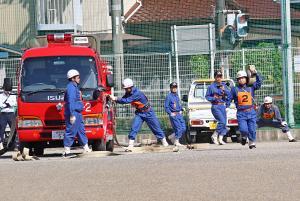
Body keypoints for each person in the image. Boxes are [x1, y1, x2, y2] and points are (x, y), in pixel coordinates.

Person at [109, 78, 169, 149]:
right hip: (140, 113)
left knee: (156, 128)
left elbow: (127, 100)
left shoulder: (137, 93)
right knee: (134, 127)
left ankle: (165, 143)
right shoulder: (128, 93)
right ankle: (130, 145)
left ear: (130, 87)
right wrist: (114, 100)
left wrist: (115, 98)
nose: (125, 90)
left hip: (148, 112)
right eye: (125, 88)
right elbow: (123, 100)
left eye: (126, 88)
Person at [229, 65, 263, 149]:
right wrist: (225, 105)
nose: (241, 79)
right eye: (239, 78)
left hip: (251, 111)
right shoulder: (234, 89)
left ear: (246, 78)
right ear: (237, 80)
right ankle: (244, 136)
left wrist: (255, 72)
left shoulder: (251, 87)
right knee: (244, 129)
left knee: (252, 129)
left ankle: (251, 142)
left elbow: (259, 82)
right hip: (241, 113)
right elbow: (229, 98)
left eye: (243, 78)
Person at [62, 69, 91, 157]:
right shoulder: (71, 87)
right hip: (73, 112)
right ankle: (67, 150)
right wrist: (71, 114)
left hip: (77, 112)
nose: (79, 79)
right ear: (73, 78)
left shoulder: (75, 87)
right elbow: (70, 101)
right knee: (71, 130)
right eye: (78, 77)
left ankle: (86, 147)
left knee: (80, 130)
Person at [205, 70, 231, 145]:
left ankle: (220, 139)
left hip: (223, 105)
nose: (219, 78)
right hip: (216, 106)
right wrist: (214, 98)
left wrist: (224, 90)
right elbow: (207, 96)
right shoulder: (211, 87)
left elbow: (229, 95)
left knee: (224, 123)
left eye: (220, 76)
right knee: (222, 121)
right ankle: (214, 135)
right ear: (215, 77)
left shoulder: (224, 85)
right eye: (217, 76)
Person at [164, 82, 186, 146]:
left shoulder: (176, 96)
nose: (174, 89)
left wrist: (181, 108)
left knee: (183, 128)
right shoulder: (168, 96)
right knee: (178, 128)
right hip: (173, 114)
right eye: (173, 87)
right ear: (170, 88)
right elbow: (166, 107)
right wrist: (170, 113)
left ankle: (172, 136)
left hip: (179, 114)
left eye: (175, 87)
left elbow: (178, 105)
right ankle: (176, 141)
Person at [0, 78, 17, 151]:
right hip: (3, 114)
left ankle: (14, 145)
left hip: (11, 114)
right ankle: (1, 144)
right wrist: (6, 105)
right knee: (1, 129)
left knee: (13, 129)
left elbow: (14, 103)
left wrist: (7, 104)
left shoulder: (12, 95)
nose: (8, 92)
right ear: (4, 89)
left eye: (9, 91)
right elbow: (0, 104)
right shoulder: (1, 96)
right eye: (6, 90)